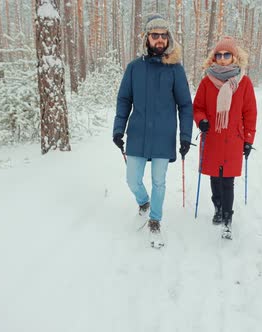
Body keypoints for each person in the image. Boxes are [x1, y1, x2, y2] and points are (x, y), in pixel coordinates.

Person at [112, 14, 193, 242]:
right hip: (137, 133)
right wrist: (118, 129)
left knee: (159, 181)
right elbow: (124, 100)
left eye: (163, 35)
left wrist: (185, 136)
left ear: (169, 39)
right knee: (132, 179)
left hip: (163, 136)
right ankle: (143, 200)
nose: (159, 39)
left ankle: (155, 218)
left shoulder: (175, 69)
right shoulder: (134, 68)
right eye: (154, 35)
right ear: (146, 38)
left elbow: (185, 105)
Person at [193, 36, 257, 239]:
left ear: (234, 57)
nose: (222, 58)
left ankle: (228, 219)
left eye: (226, 55)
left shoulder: (244, 83)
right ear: (214, 58)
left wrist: (248, 140)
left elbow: (250, 112)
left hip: (233, 139)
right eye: (218, 55)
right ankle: (218, 208)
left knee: (227, 180)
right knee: (214, 177)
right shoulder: (206, 81)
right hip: (212, 136)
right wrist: (201, 120)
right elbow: (198, 107)